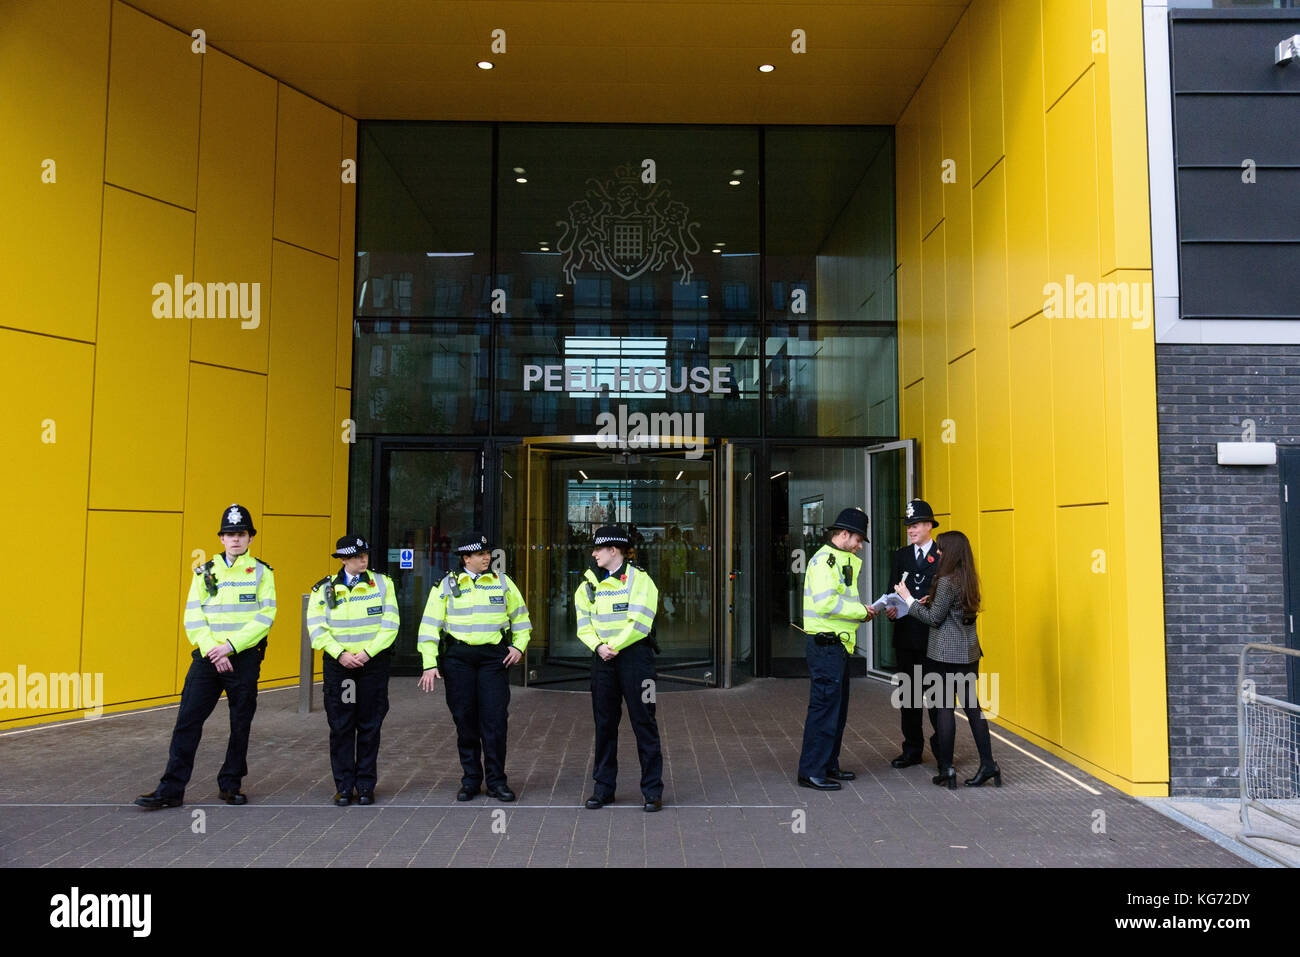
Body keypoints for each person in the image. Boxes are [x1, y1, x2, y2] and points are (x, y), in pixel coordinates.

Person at [135, 504, 275, 809]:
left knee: (240, 724)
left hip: (243, 658)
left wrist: (230, 647)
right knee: (187, 721)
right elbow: (193, 615)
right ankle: (171, 790)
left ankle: (231, 785)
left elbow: (265, 617)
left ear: (250, 538)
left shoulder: (262, 573)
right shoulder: (205, 571)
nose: (235, 539)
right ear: (221, 538)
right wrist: (214, 649)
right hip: (208, 658)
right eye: (229, 534)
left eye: (241, 533)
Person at [417, 532, 531, 802]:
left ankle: (496, 781)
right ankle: (470, 780)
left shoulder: (503, 582)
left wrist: (518, 646)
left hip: (494, 659)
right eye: (480, 554)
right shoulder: (445, 584)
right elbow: (429, 626)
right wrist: (429, 663)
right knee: (465, 720)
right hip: (458, 659)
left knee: (494, 722)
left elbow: (522, 620)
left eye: (487, 553)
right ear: (466, 558)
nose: (486, 558)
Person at [895, 529, 1000, 789]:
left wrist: (909, 600)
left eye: (941, 550)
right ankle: (988, 764)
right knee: (973, 709)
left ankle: (947, 768)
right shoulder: (969, 578)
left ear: (951, 552)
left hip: (944, 655)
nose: (938, 553)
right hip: (968, 653)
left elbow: (934, 619)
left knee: (943, 709)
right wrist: (932, 602)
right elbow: (954, 611)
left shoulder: (945, 581)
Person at [576, 525, 664, 812]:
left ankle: (652, 791)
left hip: (636, 660)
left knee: (644, 723)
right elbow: (582, 625)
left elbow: (640, 622)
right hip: (603, 660)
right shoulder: (587, 584)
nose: (593, 554)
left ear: (613, 550)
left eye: (598, 549)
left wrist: (612, 645)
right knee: (604, 726)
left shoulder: (640, 580)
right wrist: (599, 647)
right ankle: (603, 789)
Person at [308, 535, 400, 806]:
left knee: (370, 724)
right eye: (357, 556)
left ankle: (365, 786)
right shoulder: (323, 589)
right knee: (341, 725)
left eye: (365, 555)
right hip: (341, 669)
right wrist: (341, 655)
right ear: (344, 559)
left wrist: (367, 653)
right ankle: (345, 787)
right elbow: (316, 628)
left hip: (371, 666)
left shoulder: (383, 584)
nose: (363, 560)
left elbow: (390, 624)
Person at [797, 507, 876, 791]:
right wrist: (860, 611)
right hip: (826, 645)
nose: (859, 546)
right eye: (857, 540)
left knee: (836, 710)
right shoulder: (824, 561)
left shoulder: (839, 559)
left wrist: (860, 612)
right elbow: (826, 604)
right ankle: (811, 771)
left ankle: (828, 764)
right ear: (844, 534)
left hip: (837, 645)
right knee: (824, 709)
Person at [885, 499, 941, 769]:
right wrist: (892, 609)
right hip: (907, 636)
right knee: (908, 697)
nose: (911, 530)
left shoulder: (943, 555)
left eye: (916, 524)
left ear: (929, 525)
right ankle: (912, 749)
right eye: (908, 526)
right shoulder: (901, 556)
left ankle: (943, 746)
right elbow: (893, 591)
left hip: (933, 637)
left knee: (936, 696)